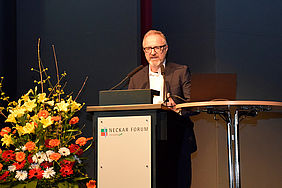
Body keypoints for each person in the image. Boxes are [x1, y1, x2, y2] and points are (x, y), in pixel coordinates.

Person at [128, 30, 197, 188]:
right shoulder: (136, 77)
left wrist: (177, 108)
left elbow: (192, 104)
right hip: (145, 140)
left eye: (157, 48)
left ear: (165, 49)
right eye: (148, 49)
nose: (152, 53)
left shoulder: (180, 71)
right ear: (144, 51)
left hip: (177, 138)